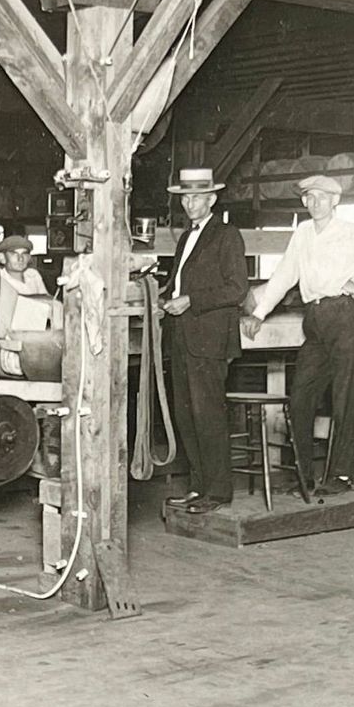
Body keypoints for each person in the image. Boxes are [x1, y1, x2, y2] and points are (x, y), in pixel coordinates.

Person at [243, 174, 354, 493]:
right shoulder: (303, 232)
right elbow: (285, 275)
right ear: (304, 202)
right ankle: (304, 476)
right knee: (300, 398)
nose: (315, 202)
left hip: (344, 316)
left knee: (344, 398)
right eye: (309, 197)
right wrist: (259, 313)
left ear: (335, 201)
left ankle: (340, 475)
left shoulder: (351, 232)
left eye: (322, 197)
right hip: (315, 318)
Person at [160, 167, 250, 513]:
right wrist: (162, 298)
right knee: (187, 416)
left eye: (197, 197)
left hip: (209, 340)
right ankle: (198, 487)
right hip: (183, 337)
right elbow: (178, 283)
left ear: (212, 199)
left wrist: (191, 300)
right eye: (185, 198)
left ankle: (218, 492)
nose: (190, 204)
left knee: (208, 415)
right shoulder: (186, 237)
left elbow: (237, 288)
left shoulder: (227, 235)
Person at [0, 233, 60, 378]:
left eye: (24, 254)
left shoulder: (33, 275)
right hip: (13, 337)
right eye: (14, 254)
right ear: (2, 258)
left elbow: (49, 303)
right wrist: (42, 302)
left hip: (38, 333)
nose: (20, 258)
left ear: (29, 258)